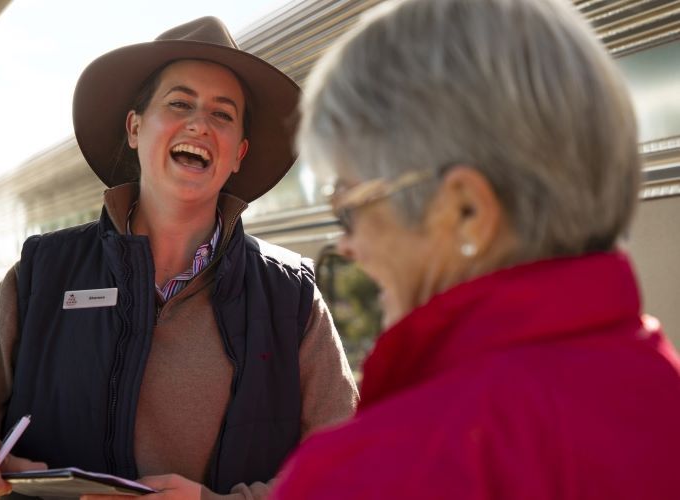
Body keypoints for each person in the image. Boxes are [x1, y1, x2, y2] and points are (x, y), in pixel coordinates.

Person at [0, 16, 358, 500]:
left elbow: (349, 464)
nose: (199, 123)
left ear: (238, 155)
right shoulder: (42, 274)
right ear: (135, 128)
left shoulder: (290, 295)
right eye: (179, 103)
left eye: (222, 114)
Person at [271, 0, 680, 498]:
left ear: (466, 211)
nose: (347, 246)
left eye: (349, 206)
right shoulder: (662, 391)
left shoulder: (364, 475)